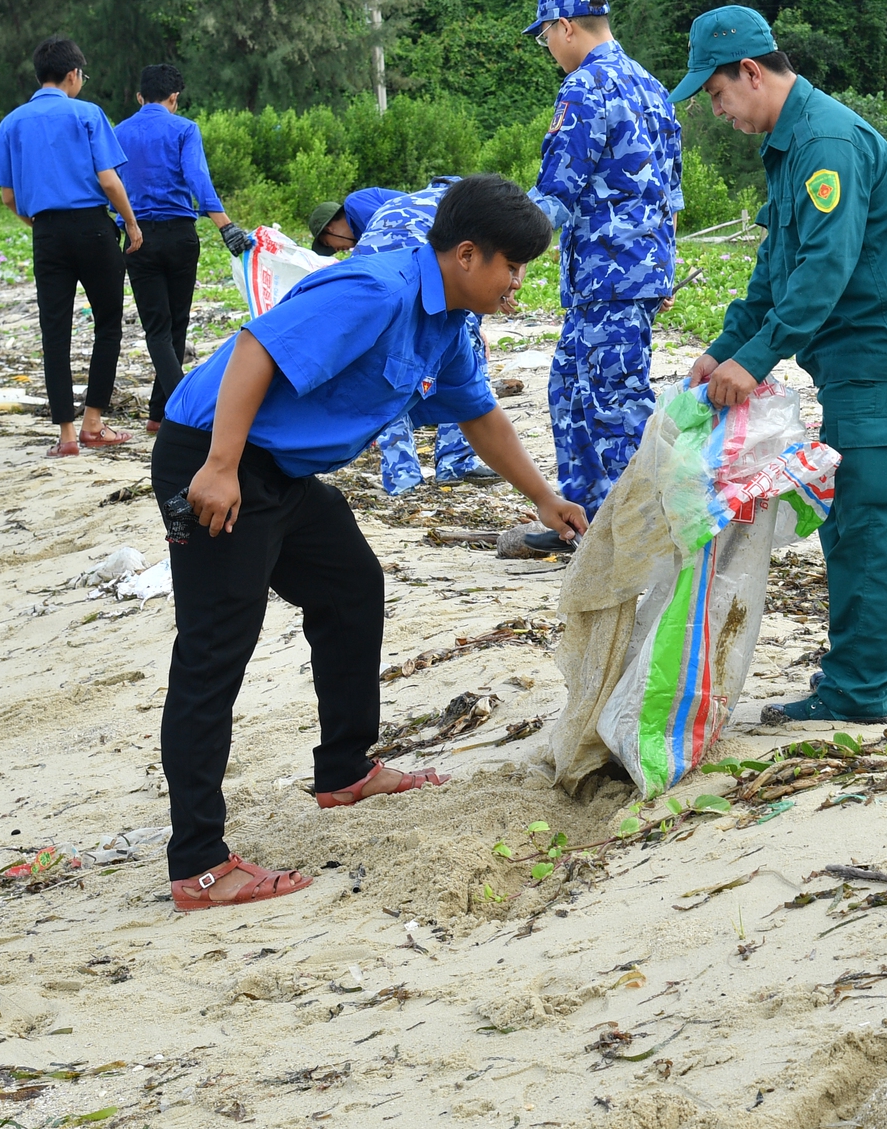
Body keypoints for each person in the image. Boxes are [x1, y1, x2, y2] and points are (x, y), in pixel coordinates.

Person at [151, 175, 587, 911]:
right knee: (214, 648)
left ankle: (345, 769)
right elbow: (256, 350)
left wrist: (544, 498)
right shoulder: (377, 290)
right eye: (512, 267)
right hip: (218, 456)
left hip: (281, 470)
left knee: (352, 585)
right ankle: (198, 862)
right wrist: (220, 467)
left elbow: (479, 416)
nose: (518, 285)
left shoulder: (447, 321)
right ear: (468, 255)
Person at [672, 6, 887, 726]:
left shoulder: (826, 142)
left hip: (882, 358)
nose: (718, 111)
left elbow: (826, 268)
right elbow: (774, 272)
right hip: (852, 361)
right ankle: (856, 676)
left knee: (867, 523)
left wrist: (757, 359)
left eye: (718, 95)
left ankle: (858, 691)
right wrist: (727, 347)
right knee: (849, 519)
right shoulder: (791, 149)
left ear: (752, 72)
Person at [525, 0, 681, 548]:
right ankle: (587, 525)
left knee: (616, 405)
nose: (548, 49)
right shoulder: (651, 86)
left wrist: (499, 252)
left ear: (565, 27)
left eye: (545, 37)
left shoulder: (584, 87)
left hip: (608, 277)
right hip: (628, 274)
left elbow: (554, 197)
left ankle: (643, 537)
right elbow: (673, 195)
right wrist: (662, 267)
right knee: (568, 389)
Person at [0, 36, 144, 458]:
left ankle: (67, 436)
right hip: (93, 228)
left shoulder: (13, 122)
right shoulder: (87, 114)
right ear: (73, 75)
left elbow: (7, 197)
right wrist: (129, 222)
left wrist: (38, 225)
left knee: (55, 331)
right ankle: (95, 422)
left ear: (40, 75)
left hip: (48, 234)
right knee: (108, 322)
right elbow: (109, 180)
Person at [113, 63, 252, 431]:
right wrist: (226, 226)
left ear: (140, 97)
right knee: (177, 326)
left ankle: (160, 415)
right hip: (180, 237)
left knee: (157, 329)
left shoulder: (118, 132)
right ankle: (182, 415)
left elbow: (109, 187)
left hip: (137, 236)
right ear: (174, 98)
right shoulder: (184, 129)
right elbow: (197, 178)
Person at [346, 178, 498, 491]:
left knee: (387, 375)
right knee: (463, 362)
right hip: (419, 277)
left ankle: (402, 478)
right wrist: (475, 324)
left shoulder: (403, 202)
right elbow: (475, 274)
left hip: (374, 283)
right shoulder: (474, 212)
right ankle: (457, 462)